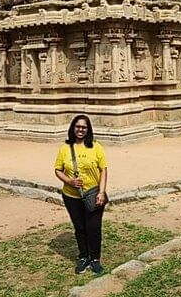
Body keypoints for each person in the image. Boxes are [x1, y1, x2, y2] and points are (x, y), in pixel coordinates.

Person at [54, 114, 108, 275]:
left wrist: (101, 192)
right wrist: (69, 181)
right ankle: (83, 257)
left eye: (84, 127)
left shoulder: (96, 147)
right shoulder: (65, 148)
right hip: (71, 196)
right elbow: (58, 170)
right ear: (73, 128)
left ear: (88, 129)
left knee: (94, 228)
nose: (80, 130)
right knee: (80, 228)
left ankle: (95, 258)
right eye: (78, 126)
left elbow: (103, 170)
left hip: (93, 195)